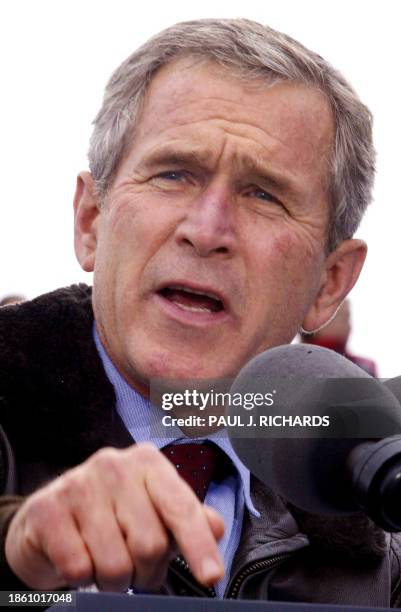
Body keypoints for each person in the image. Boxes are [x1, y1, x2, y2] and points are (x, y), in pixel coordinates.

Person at [1, 18, 399, 607]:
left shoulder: (375, 533)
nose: (207, 230)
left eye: (264, 194)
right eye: (172, 174)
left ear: (330, 281)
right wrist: (16, 548)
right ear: (90, 222)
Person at [300, 299, 378, 376]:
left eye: (347, 318)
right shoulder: (301, 361)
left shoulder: (365, 366)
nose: (348, 326)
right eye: (341, 317)